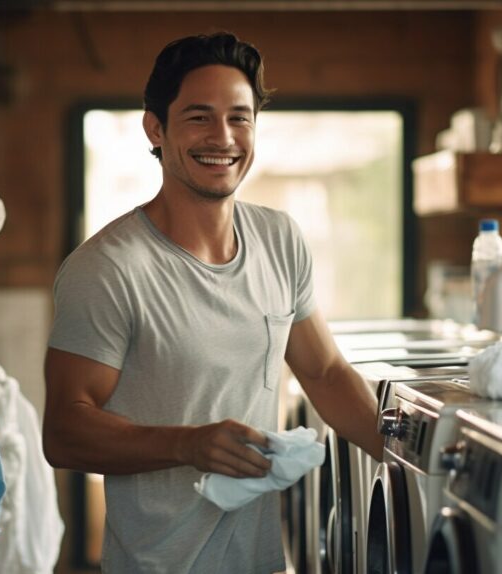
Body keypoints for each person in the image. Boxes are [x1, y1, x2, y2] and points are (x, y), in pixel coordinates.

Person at [42, 32, 384, 574]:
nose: (222, 138)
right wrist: (189, 445)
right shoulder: (108, 268)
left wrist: (409, 460)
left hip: (261, 561)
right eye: (199, 117)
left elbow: (323, 372)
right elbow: (63, 432)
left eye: (239, 117)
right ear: (156, 128)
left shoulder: (280, 239)